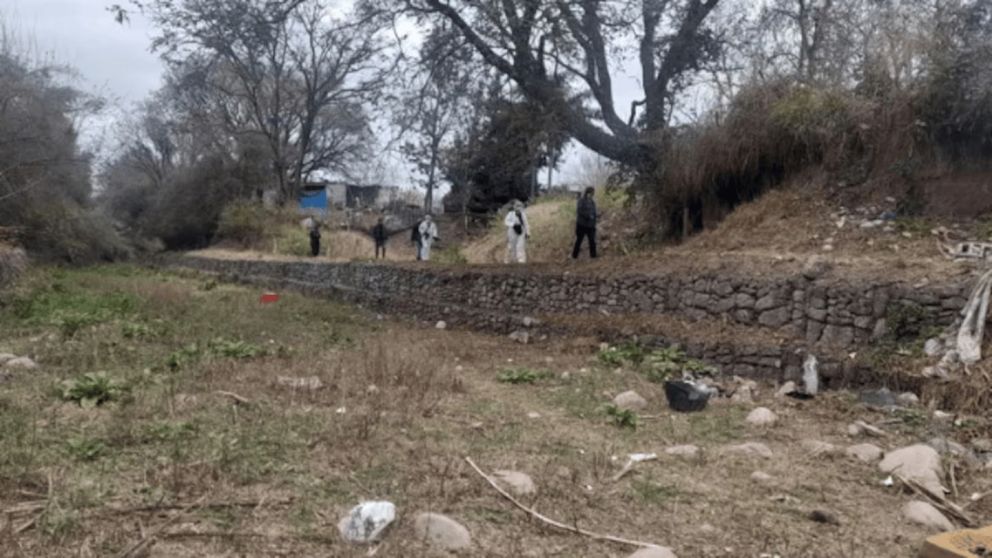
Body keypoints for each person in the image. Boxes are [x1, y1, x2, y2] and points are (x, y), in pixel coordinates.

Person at [572, 187, 598, 259]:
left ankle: (593, 256)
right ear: (588, 193)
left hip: (591, 225)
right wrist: (588, 216)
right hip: (582, 225)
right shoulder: (581, 201)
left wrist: (595, 217)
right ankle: (574, 256)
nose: (593, 195)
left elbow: (594, 212)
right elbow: (579, 211)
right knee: (579, 240)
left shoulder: (592, 202)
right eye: (592, 193)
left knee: (592, 240)